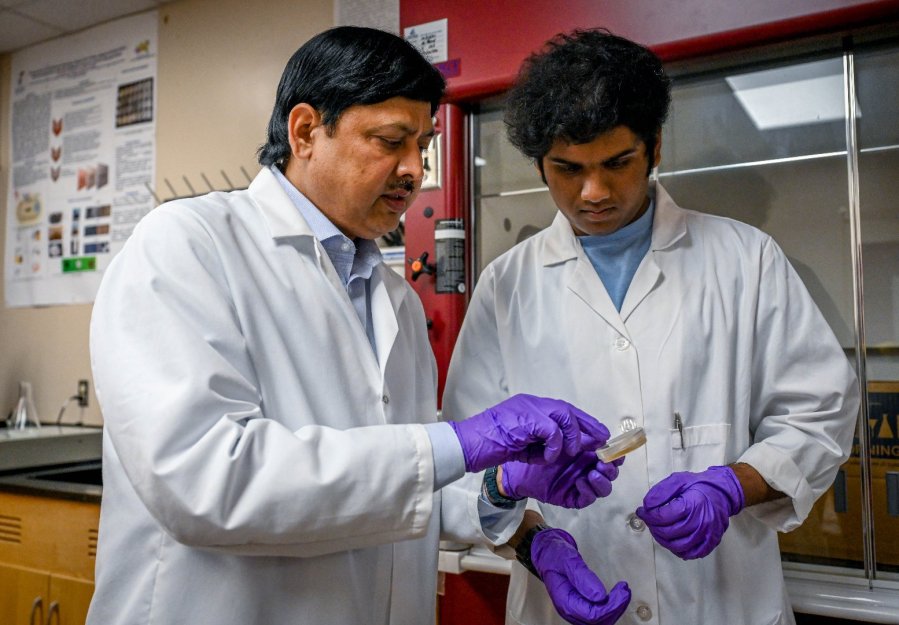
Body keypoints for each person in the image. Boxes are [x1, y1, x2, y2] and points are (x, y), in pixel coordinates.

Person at [86, 26, 619, 625]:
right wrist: (458, 443)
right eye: (391, 141)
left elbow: (401, 486)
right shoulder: (188, 246)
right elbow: (206, 482)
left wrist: (508, 506)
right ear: (306, 130)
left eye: (423, 144)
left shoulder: (394, 297)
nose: (414, 170)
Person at [441, 28, 860, 625]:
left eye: (617, 162)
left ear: (655, 146)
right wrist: (537, 546)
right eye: (567, 168)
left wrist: (734, 485)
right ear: (540, 162)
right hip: (563, 608)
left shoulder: (746, 259)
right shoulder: (506, 286)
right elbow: (468, 462)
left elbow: (819, 413)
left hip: (722, 602)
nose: (594, 192)